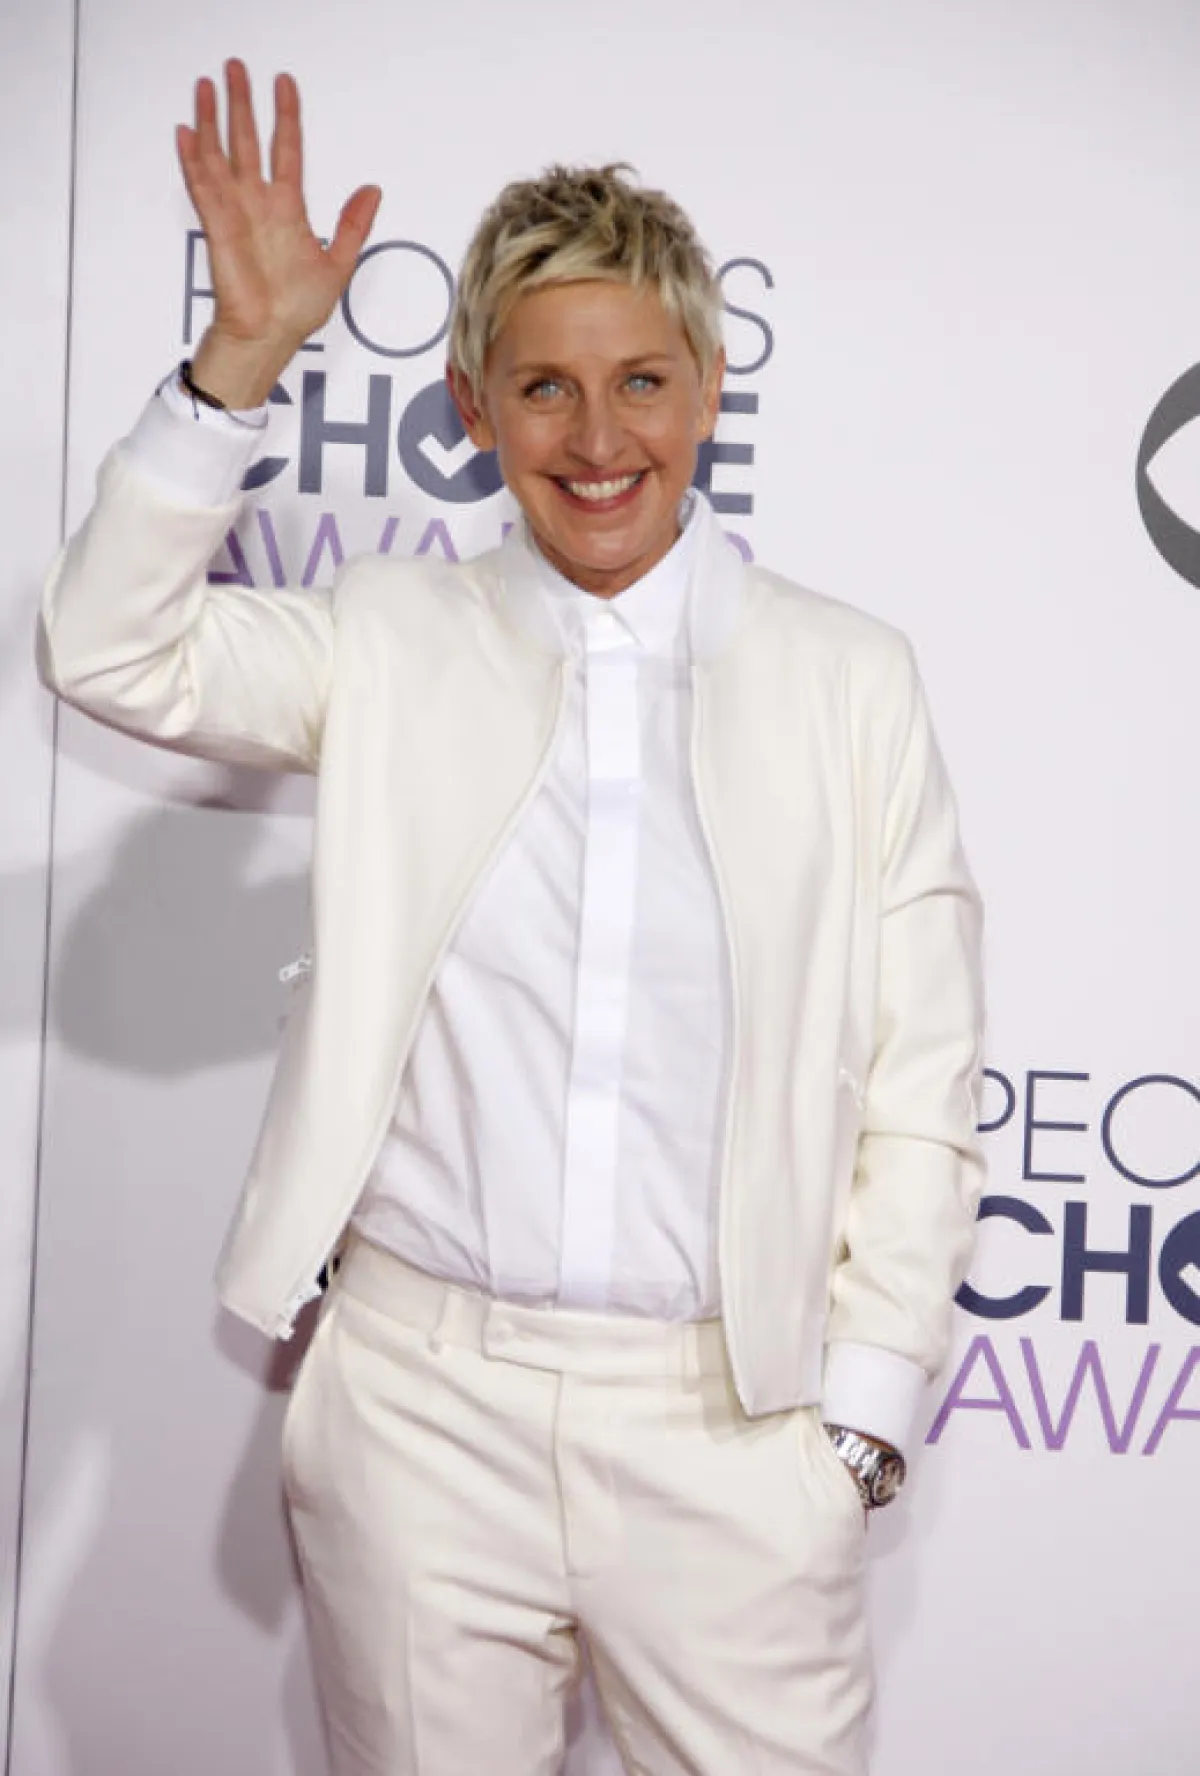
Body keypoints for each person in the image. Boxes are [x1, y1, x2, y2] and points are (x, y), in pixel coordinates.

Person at [38, 57, 985, 1776]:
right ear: (472, 407)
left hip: (735, 1432)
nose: (600, 441)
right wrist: (238, 357)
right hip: (420, 1417)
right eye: (545, 388)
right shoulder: (386, 635)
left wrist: (859, 1421)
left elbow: (924, 1080)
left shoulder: (851, 680)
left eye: (642, 382)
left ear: (711, 387)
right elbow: (110, 647)